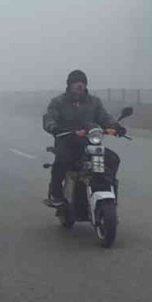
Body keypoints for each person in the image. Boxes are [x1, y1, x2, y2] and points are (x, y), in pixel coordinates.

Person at [41, 69, 124, 209]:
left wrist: (115, 126)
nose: (79, 85)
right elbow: (49, 118)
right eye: (76, 82)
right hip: (66, 140)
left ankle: (108, 187)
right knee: (62, 161)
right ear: (69, 85)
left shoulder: (94, 102)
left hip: (89, 141)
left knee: (112, 159)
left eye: (82, 83)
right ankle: (56, 194)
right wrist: (54, 128)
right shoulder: (58, 102)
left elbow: (104, 117)